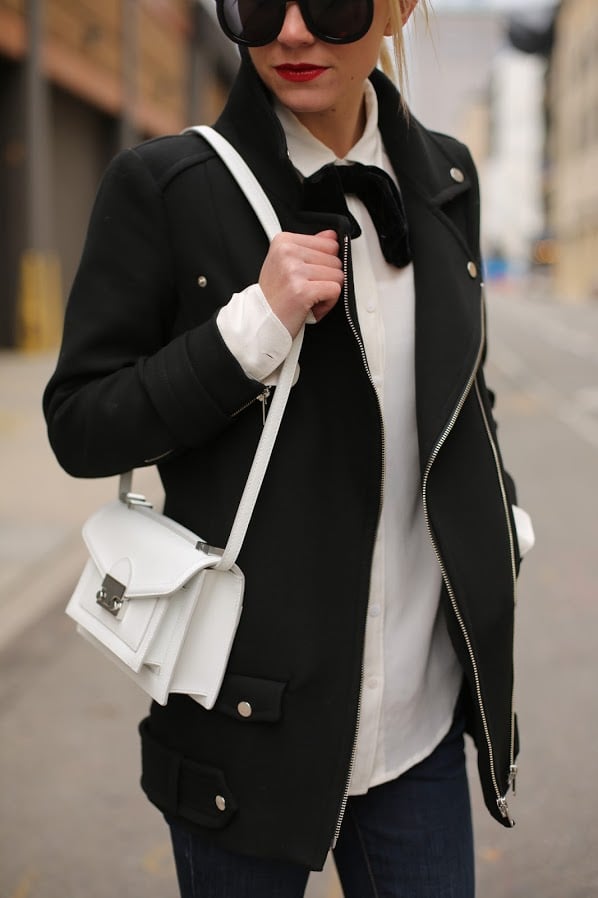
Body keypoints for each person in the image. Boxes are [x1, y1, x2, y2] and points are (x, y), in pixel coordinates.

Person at [44, 1, 529, 895]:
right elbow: (80, 423)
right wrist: (250, 331)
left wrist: (500, 521)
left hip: (417, 722)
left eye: (332, 3)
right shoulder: (166, 185)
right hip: (244, 729)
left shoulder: (446, 176)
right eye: (260, 3)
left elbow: (465, 393)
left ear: (399, 8)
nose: (293, 33)